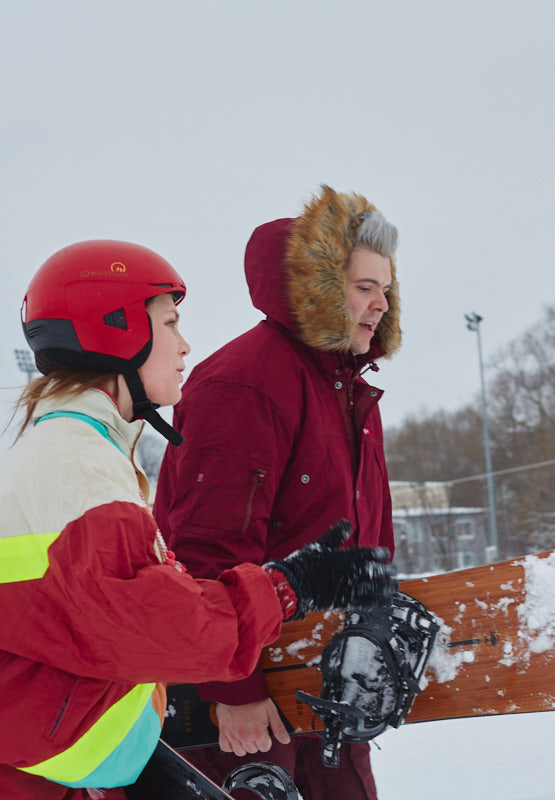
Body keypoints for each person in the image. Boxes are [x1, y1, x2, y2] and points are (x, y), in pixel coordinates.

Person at [0, 239, 396, 800]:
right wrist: (287, 587)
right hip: (0, 784)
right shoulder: (77, 469)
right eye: (170, 323)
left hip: (14, 773)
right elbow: (161, 629)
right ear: (117, 331)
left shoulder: (63, 457)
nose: (184, 345)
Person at [154, 186, 401, 800]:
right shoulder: (245, 386)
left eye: (386, 288)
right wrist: (230, 692)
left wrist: (374, 630)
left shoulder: (347, 391)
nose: (380, 303)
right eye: (364, 286)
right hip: (243, 704)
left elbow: (367, 541)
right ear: (316, 287)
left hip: (326, 684)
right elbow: (201, 556)